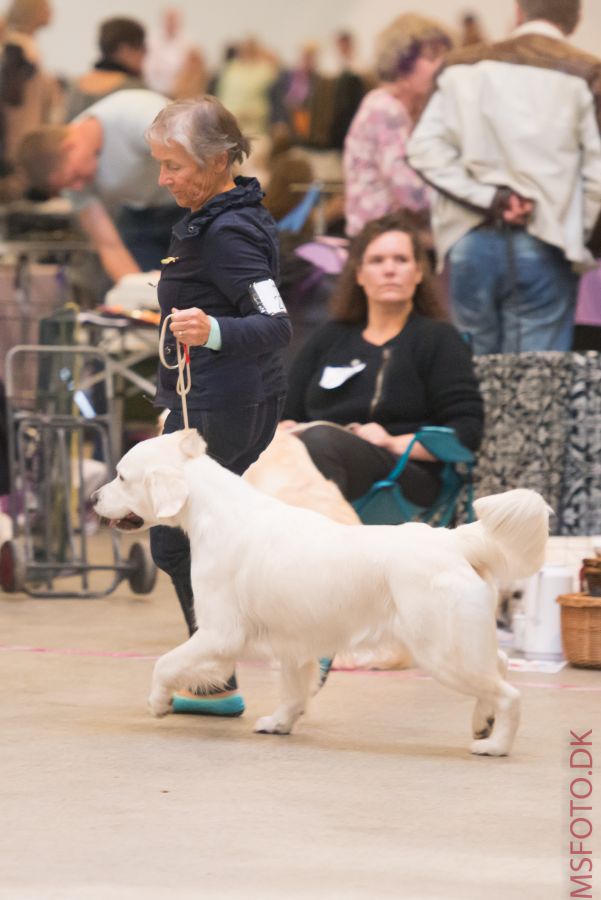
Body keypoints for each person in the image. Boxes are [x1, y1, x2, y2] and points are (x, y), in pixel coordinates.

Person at [145, 95, 292, 716]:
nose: (164, 178)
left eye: (173, 164)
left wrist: (214, 333)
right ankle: (226, 674)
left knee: (179, 544)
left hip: (218, 410)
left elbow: (277, 323)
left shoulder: (228, 229)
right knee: (210, 542)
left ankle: (221, 676)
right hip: (231, 400)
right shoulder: (225, 215)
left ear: (216, 160)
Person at [406, 0, 601, 355]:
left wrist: (489, 198)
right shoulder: (587, 72)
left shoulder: (460, 66)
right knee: (536, 382)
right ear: (575, 19)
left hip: (469, 238)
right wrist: (581, 240)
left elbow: (423, 150)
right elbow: (597, 175)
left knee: (475, 376)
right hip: (547, 239)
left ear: (518, 12)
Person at [282, 213, 483, 507]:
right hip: (316, 456)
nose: (389, 270)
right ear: (359, 274)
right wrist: (285, 431)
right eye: (377, 261)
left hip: (403, 471)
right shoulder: (330, 337)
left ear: (418, 272)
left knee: (321, 441)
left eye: (401, 260)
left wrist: (391, 442)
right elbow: (286, 413)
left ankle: (315, 546)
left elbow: (466, 433)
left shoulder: (438, 338)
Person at [18, 89, 181, 282]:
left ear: (69, 147)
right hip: (141, 214)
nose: (77, 187)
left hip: (190, 207)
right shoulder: (70, 179)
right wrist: (136, 294)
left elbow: (194, 160)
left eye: (74, 177)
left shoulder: (134, 114)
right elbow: (108, 245)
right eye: (68, 185)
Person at [343, 14, 452, 238]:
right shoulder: (387, 109)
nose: (442, 65)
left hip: (384, 236)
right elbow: (411, 194)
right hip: (378, 242)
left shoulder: (392, 107)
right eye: (432, 57)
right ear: (402, 62)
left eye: (444, 56)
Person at [0, 0, 62, 200]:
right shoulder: (18, 47)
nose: (51, 12)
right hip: (20, 120)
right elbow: (14, 96)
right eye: (45, 8)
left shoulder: (24, 45)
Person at [64, 16, 147, 121]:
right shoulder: (134, 89)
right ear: (125, 49)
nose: (145, 54)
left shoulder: (74, 85)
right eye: (142, 47)